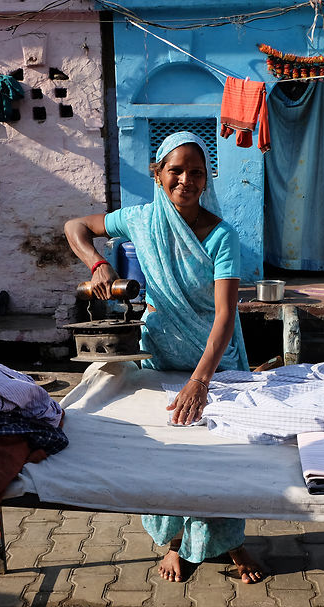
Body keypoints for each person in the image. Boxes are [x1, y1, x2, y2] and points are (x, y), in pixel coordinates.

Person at [64, 131, 264, 584]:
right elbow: (74, 227)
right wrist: (98, 264)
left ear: (206, 178)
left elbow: (224, 317)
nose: (186, 180)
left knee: (217, 460)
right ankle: (175, 544)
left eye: (196, 172)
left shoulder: (221, 236)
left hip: (213, 367)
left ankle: (232, 545)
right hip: (158, 360)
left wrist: (201, 380)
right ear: (158, 174)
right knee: (169, 456)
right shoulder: (138, 220)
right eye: (176, 170)